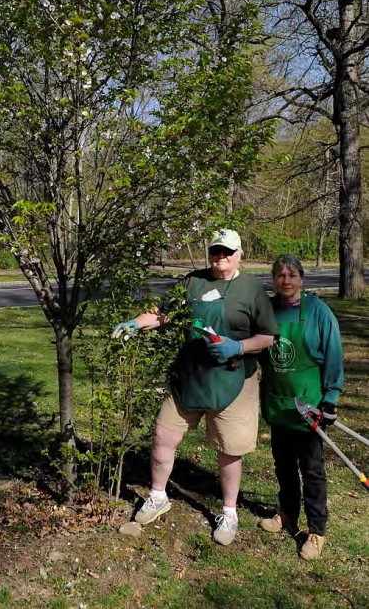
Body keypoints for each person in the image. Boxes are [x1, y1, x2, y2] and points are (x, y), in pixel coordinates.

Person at [112, 229, 278, 545]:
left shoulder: (251, 290)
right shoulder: (192, 282)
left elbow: (268, 336)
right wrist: (135, 324)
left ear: (239, 254)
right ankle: (158, 496)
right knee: (163, 435)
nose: (221, 257)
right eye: (216, 251)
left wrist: (238, 347)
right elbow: (162, 314)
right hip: (190, 375)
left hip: (233, 378)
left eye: (227, 252)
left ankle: (229, 513)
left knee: (229, 450)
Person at [258, 254, 343, 560]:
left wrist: (331, 398)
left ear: (301, 278)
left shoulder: (319, 312)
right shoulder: (267, 310)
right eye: (280, 275)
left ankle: (317, 530)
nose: (286, 281)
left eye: (292, 275)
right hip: (278, 404)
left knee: (312, 470)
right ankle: (287, 513)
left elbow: (333, 354)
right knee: (283, 466)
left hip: (309, 408)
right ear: (273, 279)